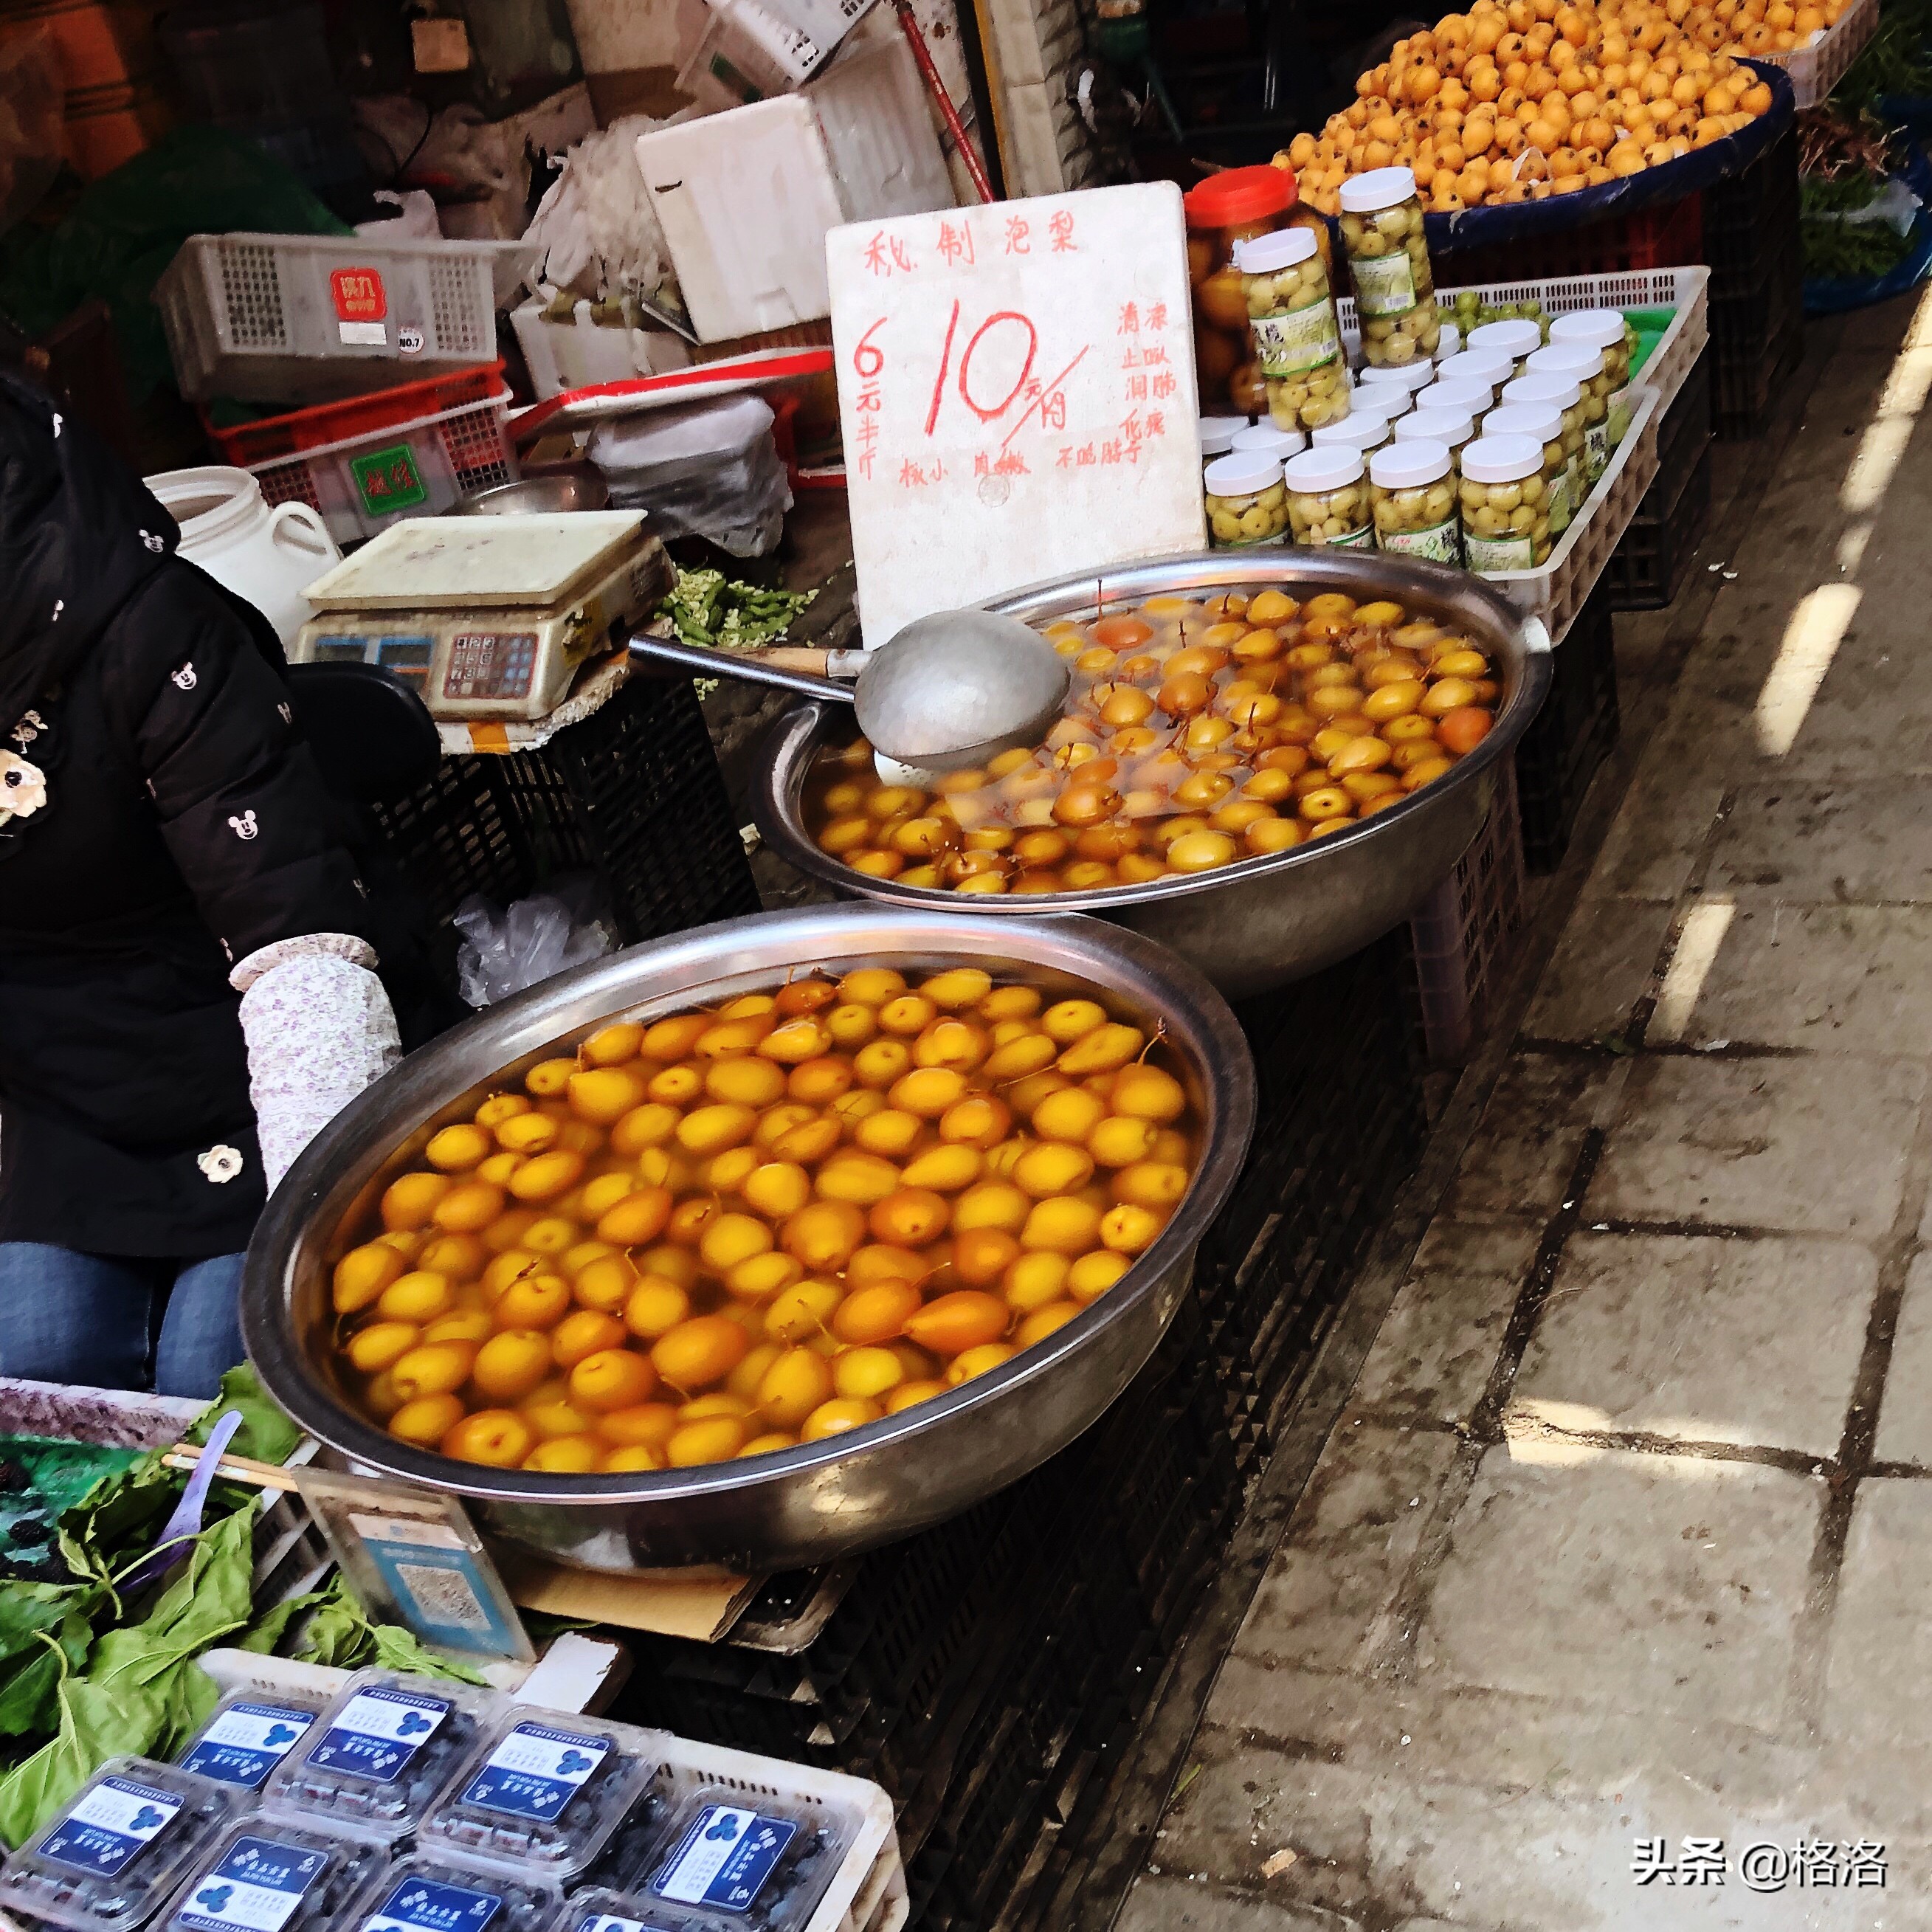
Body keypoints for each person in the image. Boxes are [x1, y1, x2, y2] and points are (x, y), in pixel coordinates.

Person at [0, 366, 446, 1398]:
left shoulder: (147, 628)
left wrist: (315, 1224)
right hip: (65, 1107)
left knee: (240, 1408)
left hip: (256, 1072)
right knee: (38, 1402)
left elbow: (296, 946)